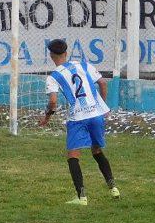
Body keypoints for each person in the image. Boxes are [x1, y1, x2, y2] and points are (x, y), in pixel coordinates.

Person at [39, 38, 119, 204]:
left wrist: (47, 117)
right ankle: (113, 188)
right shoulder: (84, 65)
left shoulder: (54, 76)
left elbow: (53, 102)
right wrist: (101, 106)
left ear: (51, 55)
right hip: (96, 114)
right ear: (66, 53)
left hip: (78, 117)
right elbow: (102, 83)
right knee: (96, 150)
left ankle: (81, 197)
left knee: (73, 155)